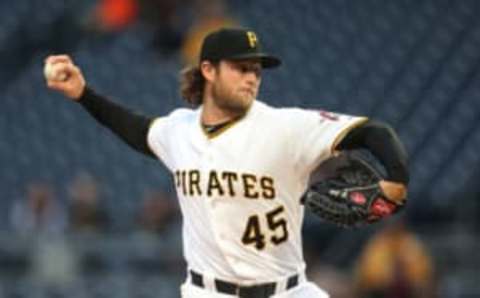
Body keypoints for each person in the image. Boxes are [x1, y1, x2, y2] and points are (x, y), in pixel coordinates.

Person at [44, 27, 409, 298]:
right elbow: (135, 129)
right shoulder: (178, 130)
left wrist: (396, 180)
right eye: (241, 67)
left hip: (287, 292)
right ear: (208, 70)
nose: (252, 77)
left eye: (256, 70)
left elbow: (373, 132)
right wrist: (83, 95)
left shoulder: (285, 127)